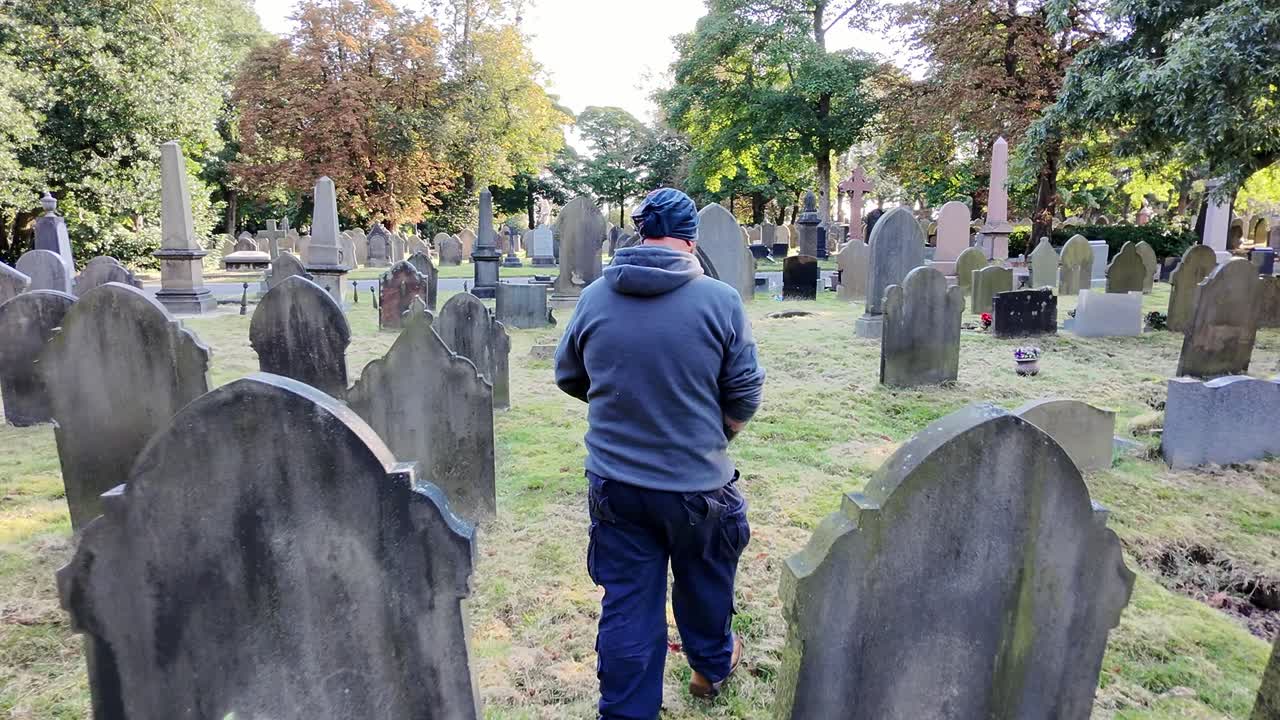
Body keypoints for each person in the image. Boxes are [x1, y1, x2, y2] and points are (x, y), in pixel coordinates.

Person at [554, 188, 766, 719]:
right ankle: (712, 666)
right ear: (691, 239)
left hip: (616, 487)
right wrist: (717, 433)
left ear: (641, 232)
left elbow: (570, 375)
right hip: (699, 486)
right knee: (705, 580)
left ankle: (627, 712)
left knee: (627, 603)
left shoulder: (596, 297)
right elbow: (744, 393)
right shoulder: (720, 301)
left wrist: (628, 408)